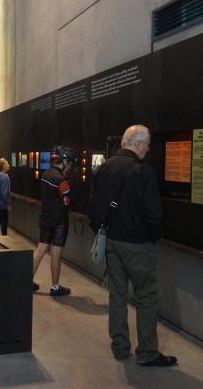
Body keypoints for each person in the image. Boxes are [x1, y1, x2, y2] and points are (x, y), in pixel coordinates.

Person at [88, 125, 176, 367]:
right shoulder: (143, 172)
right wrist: (153, 237)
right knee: (146, 296)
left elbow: (92, 208)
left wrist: (103, 232)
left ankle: (120, 347)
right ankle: (147, 352)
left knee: (117, 295)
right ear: (137, 144)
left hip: (111, 241)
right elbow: (153, 213)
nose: (147, 150)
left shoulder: (103, 168)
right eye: (147, 145)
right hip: (138, 244)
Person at [32, 146, 73, 296]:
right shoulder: (61, 180)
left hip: (45, 217)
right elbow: (67, 200)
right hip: (59, 221)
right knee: (56, 253)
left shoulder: (46, 173)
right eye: (69, 162)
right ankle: (55, 287)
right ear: (64, 161)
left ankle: (26, 280)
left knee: (40, 250)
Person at [0, 158, 11, 236]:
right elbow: (4, 193)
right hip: (3, 205)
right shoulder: (5, 177)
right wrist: (8, 204)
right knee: (4, 223)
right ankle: (4, 240)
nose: (8, 165)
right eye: (7, 163)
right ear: (3, 166)